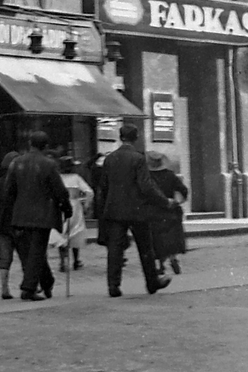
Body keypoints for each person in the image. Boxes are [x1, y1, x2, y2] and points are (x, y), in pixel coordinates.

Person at [94, 123, 179, 297]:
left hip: (115, 209)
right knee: (145, 248)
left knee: (115, 248)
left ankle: (113, 285)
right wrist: (165, 202)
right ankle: (152, 282)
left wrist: (103, 210)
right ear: (136, 138)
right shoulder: (138, 158)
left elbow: (103, 187)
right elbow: (146, 186)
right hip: (137, 209)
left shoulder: (110, 159)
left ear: (120, 137)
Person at [4, 130, 70, 302]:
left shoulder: (16, 163)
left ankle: (46, 282)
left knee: (31, 252)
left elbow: (9, 190)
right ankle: (29, 288)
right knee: (37, 251)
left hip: (21, 213)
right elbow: (59, 190)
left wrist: (10, 211)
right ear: (46, 146)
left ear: (30, 144)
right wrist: (66, 207)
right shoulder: (48, 164)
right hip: (43, 214)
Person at [147, 150, 189, 276]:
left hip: (154, 211)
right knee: (171, 237)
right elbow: (183, 190)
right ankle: (172, 258)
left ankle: (160, 265)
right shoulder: (170, 175)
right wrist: (177, 201)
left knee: (157, 239)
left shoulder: (147, 176)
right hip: (170, 211)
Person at [0, 150, 21, 300]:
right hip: (20, 223)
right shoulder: (22, 183)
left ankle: (4, 286)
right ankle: (31, 284)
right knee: (26, 255)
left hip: (3, 223)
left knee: (4, 258)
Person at [52, 155, 92, 275]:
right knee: (76, 232)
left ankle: (62, 261)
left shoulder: (57, 178)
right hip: (75, 206)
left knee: (62, 233)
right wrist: (86, 205)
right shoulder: (76, 178)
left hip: (60, 207)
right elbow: (89, 192)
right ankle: (75, 260)